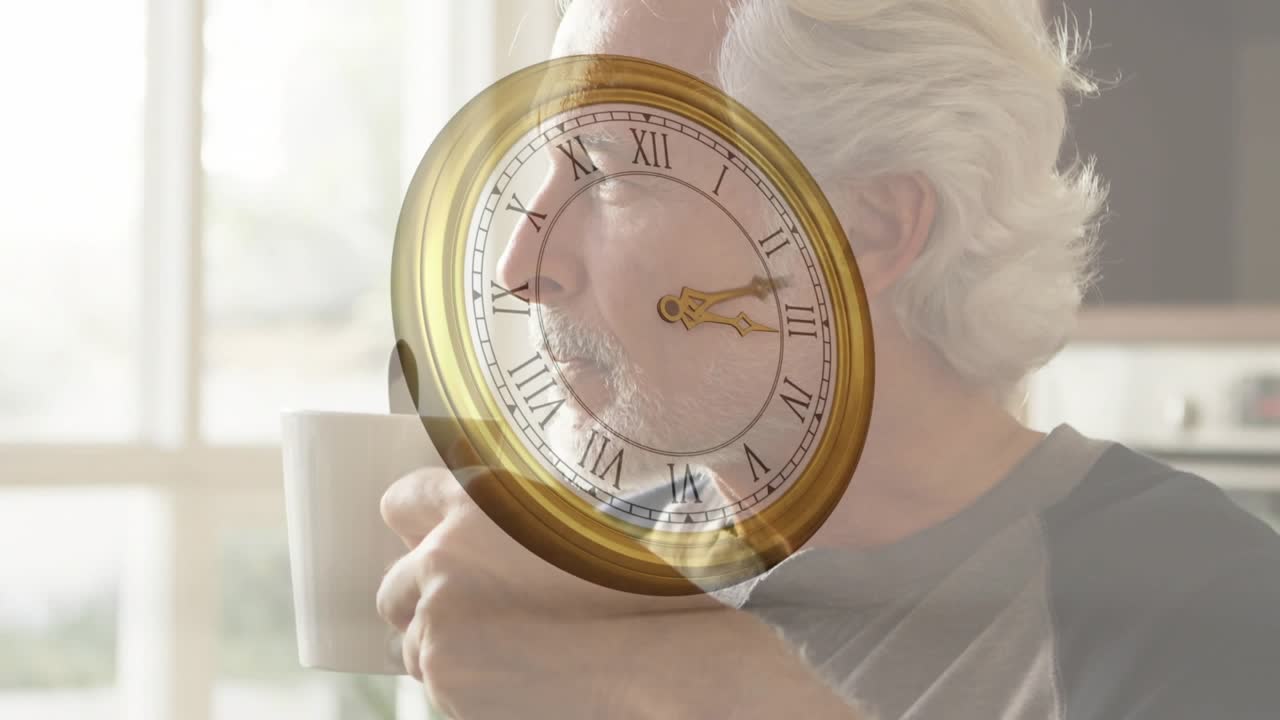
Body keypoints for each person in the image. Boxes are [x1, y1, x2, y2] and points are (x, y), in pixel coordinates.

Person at [376, 1, 1280, 718]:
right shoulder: (590, 582)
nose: (520, 266)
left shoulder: (1209, 618)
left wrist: (692, 688)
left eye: (614, 167)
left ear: (869, 228)